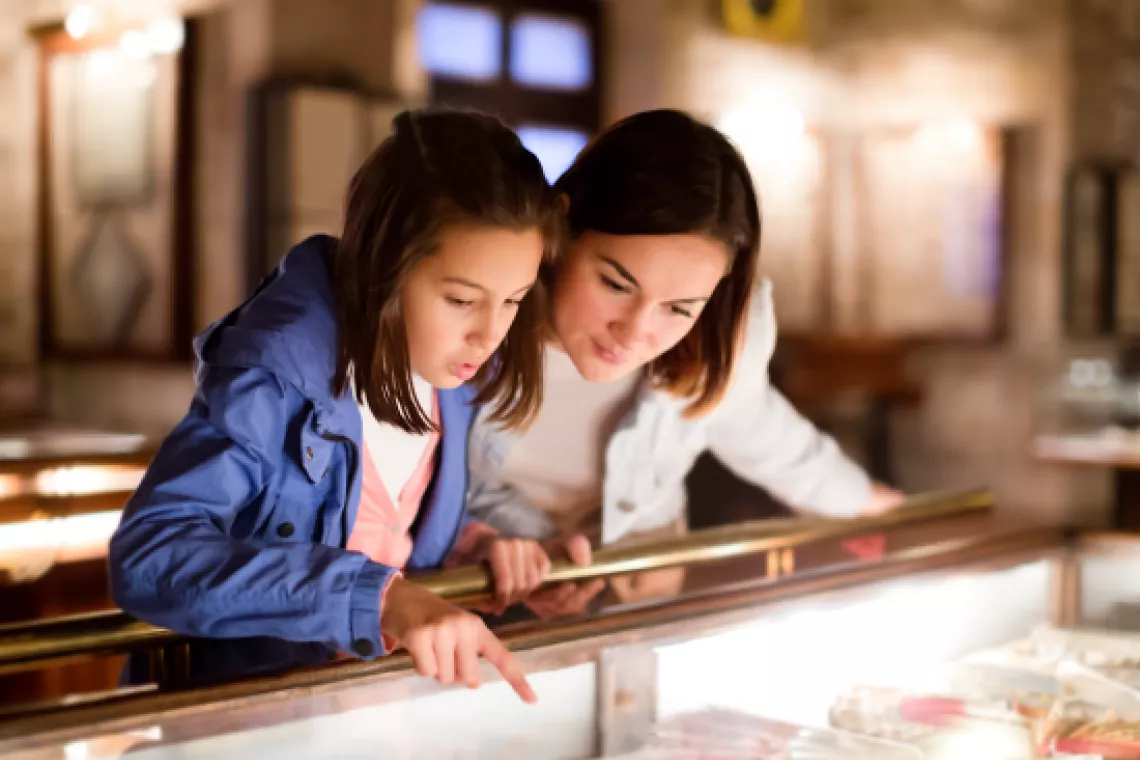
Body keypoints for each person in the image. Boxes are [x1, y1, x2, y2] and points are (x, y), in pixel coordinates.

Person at [109, 109, 563, 700]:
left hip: (370, 710)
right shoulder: (275, 378)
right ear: (384, 265)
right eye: (460, 300)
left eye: (513, 301)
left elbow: (387, 532)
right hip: (245, 716)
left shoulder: (457, 380)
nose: (490, 335)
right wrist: (375, 599)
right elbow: (151, 556)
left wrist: (477, 548)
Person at [465, 109, 904, 616]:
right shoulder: (474, 316)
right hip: (481, 592)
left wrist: (868, 503)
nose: (635, 331)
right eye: (615, 284)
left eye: (679, 308)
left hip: (637, 600)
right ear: (562, 227)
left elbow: (762, 432)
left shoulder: (717, 337)